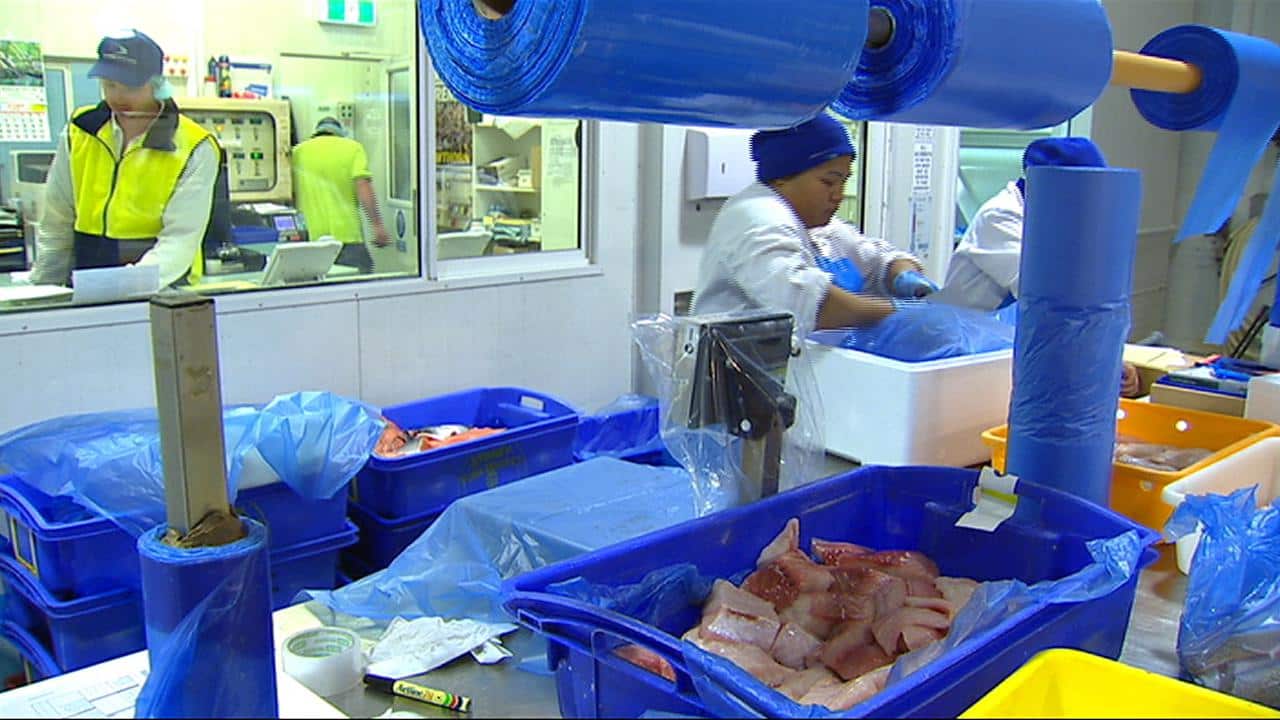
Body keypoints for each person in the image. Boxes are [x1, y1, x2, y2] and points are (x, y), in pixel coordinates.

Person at [692, 115, 935, 337]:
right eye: (829, 182)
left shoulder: (816, 224)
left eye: (843, 181)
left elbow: (877, 258)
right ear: (783, 175)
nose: (838, 195)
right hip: (732, 375)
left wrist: (904, 274)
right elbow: (809, 306)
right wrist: (901, 312)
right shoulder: (755, 217)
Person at [31, 30, 223, 288]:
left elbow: (180, 239)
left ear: (156, 83)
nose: (118, 97)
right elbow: (57, 220)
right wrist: (44, 291)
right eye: (109, 85)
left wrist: (125, 286)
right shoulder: (81, 130)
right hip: (89, 280)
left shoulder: (194, 146)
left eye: (130, 86)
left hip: (164, 287)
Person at [941, 137, 1107, 311]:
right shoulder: (1001, 215)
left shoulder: (1049, 214)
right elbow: (1038, 289)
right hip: (967, 331)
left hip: (1001, 330)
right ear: (1051, 183)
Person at [291, 117, 391, 274]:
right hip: (347, 238)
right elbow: (363, 186)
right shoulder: (353, 148)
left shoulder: (297, 152)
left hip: (310, 239)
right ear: (340, 133)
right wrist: (377, 225)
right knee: (359, 288)